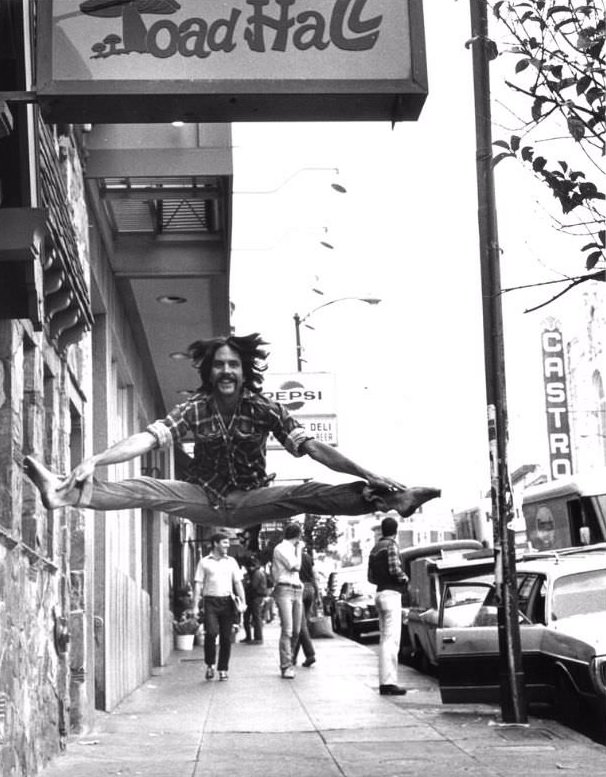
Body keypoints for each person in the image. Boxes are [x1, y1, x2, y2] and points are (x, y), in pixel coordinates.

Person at [23, 333, 440, 529]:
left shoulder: (264, 409)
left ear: (243, 372)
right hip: (203, 499)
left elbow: (313, 448)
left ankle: (391, 500)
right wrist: (96, 459)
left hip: (251, 500)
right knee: (149, 488)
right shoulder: (195, 408)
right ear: (210, 372)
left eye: (233, 365)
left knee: (306, 492)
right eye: (219, 365)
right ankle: (63, 494)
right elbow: (148, 438)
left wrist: (366, 472)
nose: (226, 371)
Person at [194, 532, 245, 681]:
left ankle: (223, 669)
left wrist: (243, 601)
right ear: (215, 544)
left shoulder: (231, 562)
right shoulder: (204, 562)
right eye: (224, 543)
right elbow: (198, 584)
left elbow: (238, 583)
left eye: (228, 543)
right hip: (210, 601)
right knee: (211, 633)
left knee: (226, 637)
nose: (227, 546)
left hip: (227, 602)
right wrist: (195, 606)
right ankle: (210, 664)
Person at [368, 516, 409, 696]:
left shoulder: (375, 548)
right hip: (392, 594)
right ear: (395, 531)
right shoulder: (391, 545)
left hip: (379, 593)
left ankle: (384, 681)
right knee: (392, 640)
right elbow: (394, 569)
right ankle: (389, 683)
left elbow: (370, 577)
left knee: (384, 638)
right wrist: (405, 578)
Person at [272, 523, 305, 678]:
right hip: (284, 589)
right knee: (288, 629)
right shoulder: (281, 549)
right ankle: (286, 665)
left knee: (297, 630)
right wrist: (299, 550)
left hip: (297, 589)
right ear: (298, 536)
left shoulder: (293, 549)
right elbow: (295, 566)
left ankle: (290, 659)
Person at [293, 547, 320, 668]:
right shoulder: (308, 557)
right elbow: (314, 575)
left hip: (299, 589)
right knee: (302, 624)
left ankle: (310, 654)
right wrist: (317, 594)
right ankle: (293, 656)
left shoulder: (293, 557)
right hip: (310, 589)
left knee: (300, 625)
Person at [241, 555, 268, 644]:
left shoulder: (256, 574)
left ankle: (258, 638)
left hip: (256, 597)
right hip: (255, 597)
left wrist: (246, 587)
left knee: (256, 617)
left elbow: (253, 586)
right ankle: (253, 637)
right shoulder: (258, 573)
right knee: (253, 617)